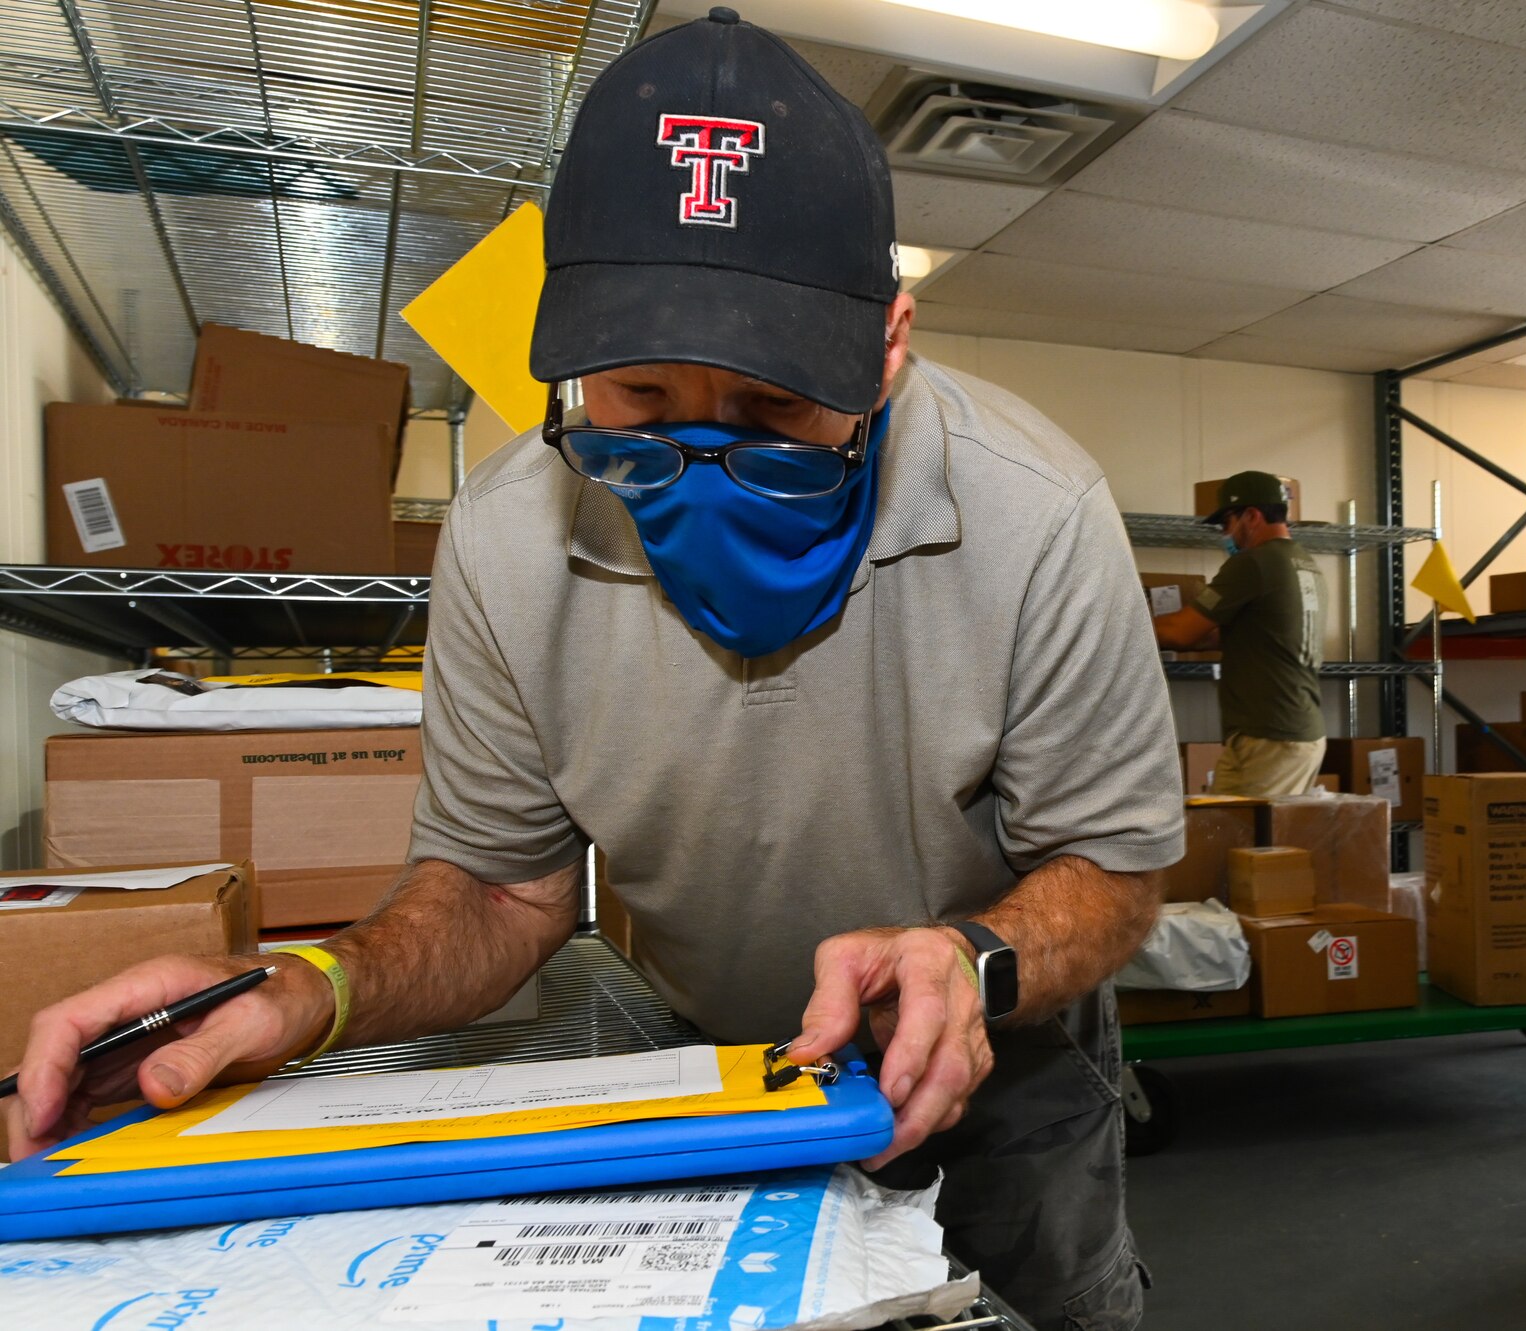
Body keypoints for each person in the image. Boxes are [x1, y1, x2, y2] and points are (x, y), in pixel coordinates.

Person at [3, 10, 1183, 1327]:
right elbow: (503, 895)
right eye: (641, 408)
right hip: (722, 1053)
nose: (705, 466)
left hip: (1001, 1041)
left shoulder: (1037, 514)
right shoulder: (510, 541)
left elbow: (1117, 867)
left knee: (1046, 1302)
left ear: (889, 345)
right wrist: (303, 990)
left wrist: (974, 961)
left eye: (775, 411)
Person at [1152, 470, 1331, 796]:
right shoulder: (1304, 563)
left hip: (1270, 738)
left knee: (1249, 843)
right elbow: (1242, 635)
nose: (1224, 533)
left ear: (1252, 515)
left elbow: (1181, 633)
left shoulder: (1255, 563)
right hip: (1287, 733)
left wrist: (1119, 627)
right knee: (1235, 835)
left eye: (1227, 522)